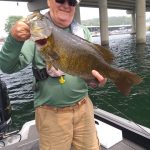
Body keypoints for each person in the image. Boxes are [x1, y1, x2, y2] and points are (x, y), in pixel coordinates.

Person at [0, 0, 107, 149]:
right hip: (51, 114)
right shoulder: (37, 31)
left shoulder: (83, 32)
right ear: (49, 1)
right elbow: (7, 67)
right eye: (60, 0)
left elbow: (89, 76)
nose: (66, 5)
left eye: (71, 2)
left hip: (84, 108)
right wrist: (14, 39)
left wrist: (95, 82)